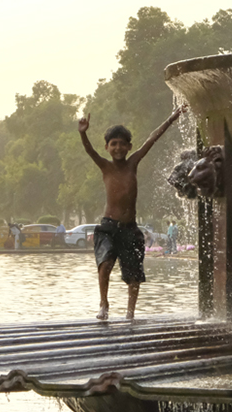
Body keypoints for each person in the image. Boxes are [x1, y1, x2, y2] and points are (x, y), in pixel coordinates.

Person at [78, 105, 184, 320]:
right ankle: (104, 303)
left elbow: (152, 139)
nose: (118, 148)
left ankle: (130, 313)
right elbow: (90, 151)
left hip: (130, 228)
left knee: (134, 274)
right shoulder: (105, 166)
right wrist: (83, 133)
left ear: (129, 147)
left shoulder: (133, 163)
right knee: (105, 264)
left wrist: (171, 118)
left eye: (122, 144)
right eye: (113, 144)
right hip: (108, 227)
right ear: (107, 147)